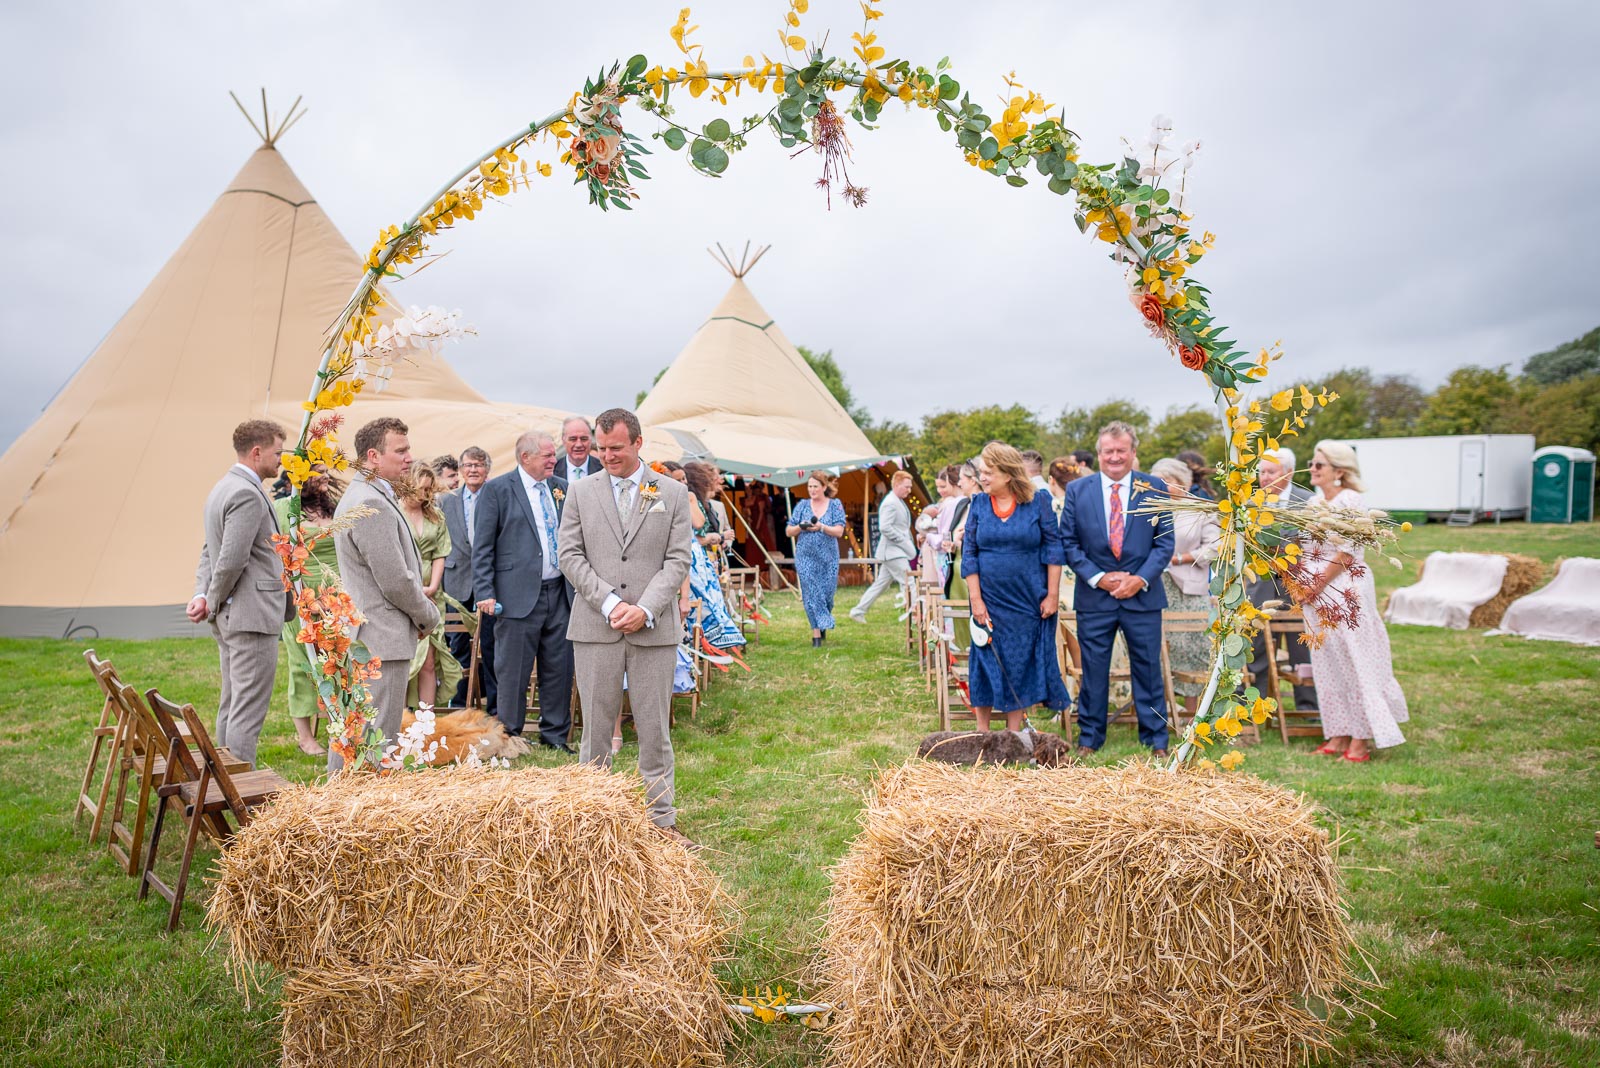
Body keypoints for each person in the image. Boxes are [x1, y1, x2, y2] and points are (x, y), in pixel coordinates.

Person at [557, 408, 693, 842]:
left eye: (615, 448)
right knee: (596, 730)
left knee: (654, 729)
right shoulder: (580, 492)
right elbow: (570, 556)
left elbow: (677, 560)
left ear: (638, 443)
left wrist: (646, 608)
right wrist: (611, 602)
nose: (606, 456)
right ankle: (594, 826)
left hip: (653, 630)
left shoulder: (667, 492)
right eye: (601, 448)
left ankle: (661, 822)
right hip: (596, 627)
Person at [1059, 421, 1175, 758]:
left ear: (1133, 453)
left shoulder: (1154, 488)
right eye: (1108, 451)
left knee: (1148, 668)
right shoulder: (1079, 491)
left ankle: (1156, 739)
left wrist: (1139, 579)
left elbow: (1164, 543)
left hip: (1143, 595)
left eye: (1121, 450)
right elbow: (1069, 542)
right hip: (1096, 597)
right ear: (1098, 454)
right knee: (1094, 669)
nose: (1114, 457)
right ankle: (1090, 738)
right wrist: (1098, 577)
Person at [330, 417, 440, 772]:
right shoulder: (370, 503)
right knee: (374, 742)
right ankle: (351, 818)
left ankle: (334, 811)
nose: (409, 458)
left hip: (370, 634)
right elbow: (395, 580)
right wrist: (427, 616)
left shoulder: (367, 495)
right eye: (401, 450)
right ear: (373, 456)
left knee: (354, 737)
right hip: (378, 637)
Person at [188, 419, 294, 768]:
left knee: (232, 703)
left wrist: (203, 594)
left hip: (233, 613)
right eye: (277, 452)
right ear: (257, 451)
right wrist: (212, 600)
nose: (281, 460)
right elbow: (231, 560)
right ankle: (238, 791)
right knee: (247, 712)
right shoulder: (246, 493)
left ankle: (220, 780)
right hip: (250, 616)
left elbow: (209, 552)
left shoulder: (223, 487)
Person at [1302, 441, 1408, 761]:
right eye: (1312, 462)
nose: (1313, 468)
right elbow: (1306, 548)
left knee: (1355, 660)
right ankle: (1338, 733)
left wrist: (1317, 584)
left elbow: (1348, 552)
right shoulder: (1312, 502)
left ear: (1340, 471)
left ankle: (1361, 739)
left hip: (1345, 588)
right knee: (1328, 663)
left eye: (1320, 465)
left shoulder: (1351, 501)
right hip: (1315, 592)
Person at [472, 431, 574, 750]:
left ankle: (555, 735)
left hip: (560, 591)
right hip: (515, 595)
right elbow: (483, 547)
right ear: (525, 457)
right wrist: (485, 591)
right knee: (513, 669)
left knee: (558, 666)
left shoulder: (561, 488)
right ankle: (510, 736)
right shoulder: (497, 490)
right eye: (546, 455)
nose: (552, 460)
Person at [962, 441, 1071, 731]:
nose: (982, 478)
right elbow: (969, 553)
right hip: (988, 598)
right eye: (981, 472)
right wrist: (976, 599)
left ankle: (1013, 735)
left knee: (1020, 662)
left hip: (1027, 600)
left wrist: (1052, 594)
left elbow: (1054, 550)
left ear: (1008, 474)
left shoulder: (1038, 502)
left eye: (988, 472)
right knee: (984, 660)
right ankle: (982, 733)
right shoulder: (979, 504)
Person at [272, 465, 343, 755]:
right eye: (318, 472)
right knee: (303, 666)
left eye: (327, 471)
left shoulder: (335, 509)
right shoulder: (282, 509)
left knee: (337, 663)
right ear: (298, 476)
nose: (326, 477)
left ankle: (337, 727)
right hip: (301, 598)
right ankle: (305, 737)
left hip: (336, 597)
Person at [1247, 448, 1318, 713]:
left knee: (1301, 646)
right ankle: (1257, 706)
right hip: (1262, 586)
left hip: (1299, 586)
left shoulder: (1308, 501)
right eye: (1261, 472)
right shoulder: (1252, 503)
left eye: (1271, 472)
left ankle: (1308, 707)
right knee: (1259, 646)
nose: (1264, 477)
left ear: (1288, 472)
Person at [1150, 457, 1220, 716]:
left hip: (1189, 588)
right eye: (1158, 481)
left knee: (1194, 649)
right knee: (1157, 650)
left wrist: (1180, 558)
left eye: (1166, 481)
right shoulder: (1150, 507)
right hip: (1156, 586)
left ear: (1183, 483)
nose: (1161, 486)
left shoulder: (1201, 509)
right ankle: (1161, 713)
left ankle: (1194, 716)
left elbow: (1215, 547)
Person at [399, 464, 463, 710]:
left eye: (429, 490)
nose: (425, 495)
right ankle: (402, 717)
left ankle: (427, 718)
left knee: (428, 659)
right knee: (404, 659)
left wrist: (434, 586)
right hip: (403, 591)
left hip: (430, 593)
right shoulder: (395, 512)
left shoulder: (435, 515)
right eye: (421, 489)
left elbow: (440, 553)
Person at [440, 446, 496, 712]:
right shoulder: (446, 500)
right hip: (456, 580)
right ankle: (459, 704)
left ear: (487, 469)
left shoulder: (497, 496)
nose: (473, 470)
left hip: (490, 583)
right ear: (461, 470)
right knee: (458, 646)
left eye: (479, 464)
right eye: (468, 465)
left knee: (491, 645)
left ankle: (492, 705)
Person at [679, 462, 747, 652]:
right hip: (692, 561)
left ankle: (712, 645)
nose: (718, 481)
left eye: (684, 479)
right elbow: (700, 531)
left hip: (707, 560)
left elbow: (702, 525)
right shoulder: (689, 500)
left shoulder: (703, 502)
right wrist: (713, 537)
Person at [786, 473, 848, 646]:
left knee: (827, 595)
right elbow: (789, 531)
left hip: (828, 557)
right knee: (812, 592)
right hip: (805, 555)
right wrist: (801, 526)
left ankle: (823, 623)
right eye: (809, 486)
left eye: (815, 486)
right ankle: (816, 635)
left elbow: (839, 531)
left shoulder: (835, 505)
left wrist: (821, 527)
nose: (812, 490)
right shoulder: (802, 506)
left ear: (824, 487)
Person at [849, 470, 915, 623]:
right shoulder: (891, 502)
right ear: (897, 485)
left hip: (894, 551)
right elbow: (885, 527)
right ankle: (915, 616)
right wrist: (903, 541)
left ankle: (858, 610)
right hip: (893, 552)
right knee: (908, 582)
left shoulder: (896, 500)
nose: (909, 490)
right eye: (907, 486)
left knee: (881, 584)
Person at [557, 415, 604, 483]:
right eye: (573, 439)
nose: (578, 444)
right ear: (563, 440)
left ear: (591, 440)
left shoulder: (603, 470)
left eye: (584, 439)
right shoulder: (552, 470)